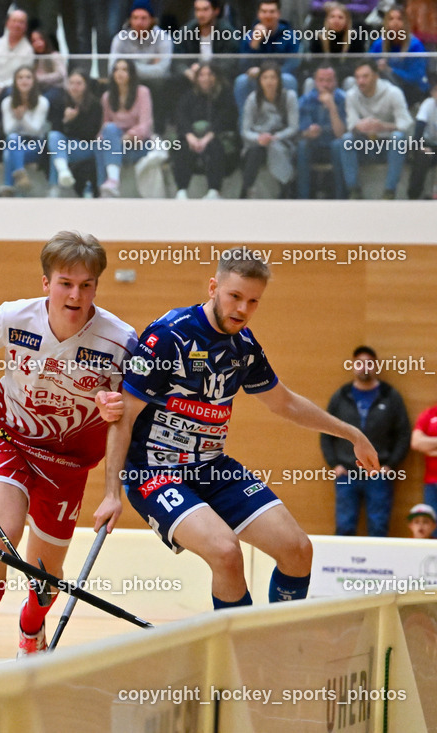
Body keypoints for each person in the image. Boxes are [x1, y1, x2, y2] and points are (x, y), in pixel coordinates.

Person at [100, 247, 380, 613]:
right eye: (235, 296)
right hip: (154, 472)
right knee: (226, 552)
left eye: (253, 301)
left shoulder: (244, 347)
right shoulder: (170, 335)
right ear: (213, 286)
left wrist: (352, 434)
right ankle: (240, 657)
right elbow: (124, 416)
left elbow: (286, 403)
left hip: (212, 467)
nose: (242, 309)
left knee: (298, 549)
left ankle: (278, 642)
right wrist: (111, 493)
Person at [0, 232, 135, 667]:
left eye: (87, 285)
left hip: (70, 462)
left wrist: (114, 488)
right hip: (9, 438)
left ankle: (31, 628)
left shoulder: (121, 341)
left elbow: (124, 421)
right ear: (45, 282)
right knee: (2, 535)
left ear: (96, 286)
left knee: (45, 576)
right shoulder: (13, 318)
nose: (75, 295)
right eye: (65, 283)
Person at [322, 345, 411, 537]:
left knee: (378, 527)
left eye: (369, 363)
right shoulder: (341, 396)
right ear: (353, 366)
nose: (365, 367)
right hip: (347, 473)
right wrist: (334, 464)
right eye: (360, 363)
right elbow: (325, 432)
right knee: (344, 527)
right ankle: (343, 567)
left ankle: (379, 567)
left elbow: (404, 433)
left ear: (376, 366)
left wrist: (390, 465)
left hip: (378, 474)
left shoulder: (390, 396)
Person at [337, 59, 413, 199]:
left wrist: (384, 126)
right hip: (365, 144)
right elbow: (351, 125)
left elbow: (406, 123)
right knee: (345, 140)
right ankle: (354, 190)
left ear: (376, 76)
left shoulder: (393, 92)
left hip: (388, 146)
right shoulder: (351, 95)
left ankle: (390, 191)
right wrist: (360, 126)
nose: (361, 81)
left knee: (398, 138)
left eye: (365, 76)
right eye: (358, 77)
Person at [172, 62, 239, 199]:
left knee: (215, 146)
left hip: (217, 137)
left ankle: (214, 191)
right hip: (192, 137)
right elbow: (181, 117)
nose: (206, 78)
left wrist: (207, 138)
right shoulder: (189, 96)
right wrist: (190, 136)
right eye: (202, 75)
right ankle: (181, 191)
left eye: (210, 74)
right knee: (181, 146)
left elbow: (225, 119)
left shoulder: (225, 95)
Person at [108, 0, 172, 131]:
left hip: (154, 83)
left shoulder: (163, 37)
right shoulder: (120, 38)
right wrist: (148, 64)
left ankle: (158, 133)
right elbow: (112, 69)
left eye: (144, 18)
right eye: (135, 18)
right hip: (127, 82)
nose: (139, 22)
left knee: (162, 84)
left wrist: (127, 67)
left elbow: (162, 70)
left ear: (152, 20)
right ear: (130, 19)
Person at [240, 62, 298, 198]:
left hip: (282, 139)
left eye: (273, 78)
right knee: (255, 153)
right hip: (257, 141)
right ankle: (245, 192)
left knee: (278, 149)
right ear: (260, 81)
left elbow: (293, 127)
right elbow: (245, 130)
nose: (269, 82)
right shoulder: (253, 99)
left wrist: (275, 137)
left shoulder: (289, 97)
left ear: (279, 80)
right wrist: (259, 138)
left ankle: (286, 191)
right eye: (265, 78)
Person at [233, 0, 300, 119]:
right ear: (258, 14)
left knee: (289, 79)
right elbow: (242, 65)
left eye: (272, 12)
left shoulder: (290, 35)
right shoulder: (249, 36)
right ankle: (244, 125)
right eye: (264, 12)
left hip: (280, 77)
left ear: (278, 14)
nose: (268, 16)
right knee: (241, 81)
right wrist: (254, 43)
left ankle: (289, 123)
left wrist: (271, 75)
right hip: (256, 78)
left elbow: (293, 64)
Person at [97, 58, 154, 198]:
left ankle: (111, 183)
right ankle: (106, 188)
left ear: (131, 74)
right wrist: (102, 139)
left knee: (108, 140)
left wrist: (125, 137)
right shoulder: (107, 97)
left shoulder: (142, 92)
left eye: (124, 69)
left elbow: (145, 125)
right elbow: (105, 125)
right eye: (116, 69)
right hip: (116, 144)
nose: (119, 73)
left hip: (138, 144)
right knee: (100, 143)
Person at [296, 64, 347, 199]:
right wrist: (308, 132)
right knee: (302, 146)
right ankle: (303, 198)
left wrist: (332, 107)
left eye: (329, 80)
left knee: (339, 145)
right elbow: (299, 131)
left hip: (334, 146)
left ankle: (340, 198)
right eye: (321, 80)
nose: (325, 84)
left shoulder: (343, 99)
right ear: (315, 82)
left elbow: (341, 134)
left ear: (335, 82)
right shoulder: (306, 100)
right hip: (314, 145)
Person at [47, 70, 101, 196]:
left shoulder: (94, 104)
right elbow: (55, 129)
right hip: (65, 146)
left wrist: (73, 122)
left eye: (79, 83)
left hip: (87, 146)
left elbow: (90, 134)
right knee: (54, 138)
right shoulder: (60, 102)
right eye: (71, 83)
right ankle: (63, 172)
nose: (74, 87)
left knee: (57, 153)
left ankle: (55, 186)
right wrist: (66, 120)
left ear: (86, 85)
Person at [0, 66, 49, 197]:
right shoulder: (7, 102)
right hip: (15, 142)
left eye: (28, 77)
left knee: (9, 154)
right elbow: (8, 130)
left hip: (35, 145)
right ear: (15, 81)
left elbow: (36, 130)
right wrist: (18, 119)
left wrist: (22, 117)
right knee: (12, 140)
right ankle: (20, 175)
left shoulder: (42, 102)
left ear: (33, 81)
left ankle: (8, 187)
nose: (24, 81)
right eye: (20, 78)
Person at [369, 5, 429, 107]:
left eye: (399, 19)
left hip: (411, 91)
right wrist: (375, 67)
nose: (395, 23)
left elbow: (416, 76)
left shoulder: (415, 45)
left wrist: (390, 70)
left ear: (406, 22)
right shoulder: (379, 43)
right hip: (384, 90)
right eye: (391, 19)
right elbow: (366, 65)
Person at [174, 0, 240, 82]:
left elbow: (230, 63)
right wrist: (187, 72)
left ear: (216, 11)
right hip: (191, 81)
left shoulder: (227, 33)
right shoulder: (186, 31)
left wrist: (208, 72)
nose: (200, 14)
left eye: (205, 10)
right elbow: (176, 61)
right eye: (197, 9)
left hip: (220, 81)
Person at [304, 2, 365, 89]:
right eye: (332, 17)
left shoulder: (355, 38)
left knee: (350, 81)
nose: (336, 20)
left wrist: (335, 75)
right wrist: (326, 77)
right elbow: (314, 64)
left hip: (345, 76)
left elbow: (356, 65)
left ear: (347, 20)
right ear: (327, 19)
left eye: (340, 17)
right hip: (323, 77)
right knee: (309, 82)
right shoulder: (319, 37)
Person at [0, 9, 34, 98]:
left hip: (14, 91)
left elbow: (24, 75)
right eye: (14, 21)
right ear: (7, 23)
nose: (17, 25)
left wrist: (2, 88)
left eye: (21, 22)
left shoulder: (29, 50)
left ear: (25, 26)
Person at [407, 82, 437, 200]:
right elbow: (419, 126)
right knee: (423, 155)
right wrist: (418, 146)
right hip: (430, 149)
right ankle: (413, 197)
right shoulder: (428, 104)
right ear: (433, 93)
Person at [412, 399, 437, 523]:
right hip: (432, 482)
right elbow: (416, 442)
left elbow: (424, 444)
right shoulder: (430, 414)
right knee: (432, 525)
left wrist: (431, 448)